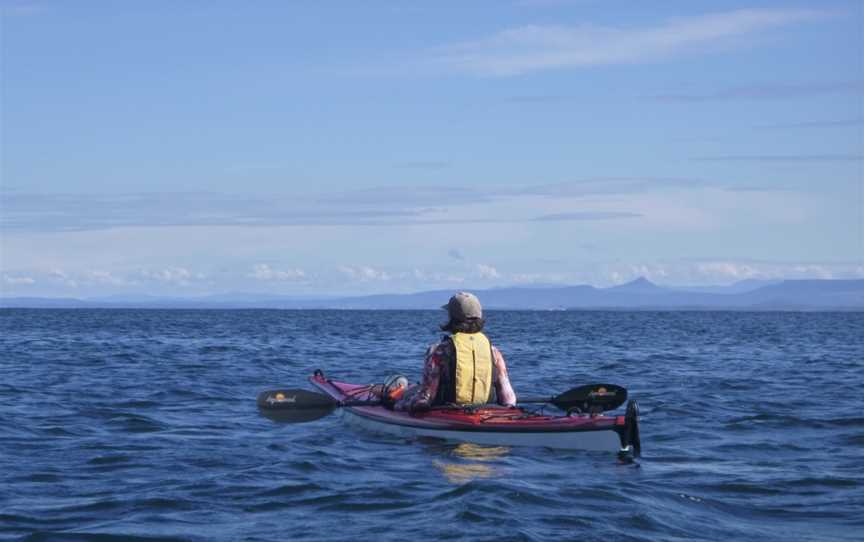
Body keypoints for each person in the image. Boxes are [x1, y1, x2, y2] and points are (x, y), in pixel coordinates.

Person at [393, 291, 516, 413]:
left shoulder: (439, 351)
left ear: (452, 318)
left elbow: (424, 400)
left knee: (406, 392)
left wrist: (398, 405)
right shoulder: (494, 352)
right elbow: (509, 400)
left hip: (448, 412)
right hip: (485, 412)